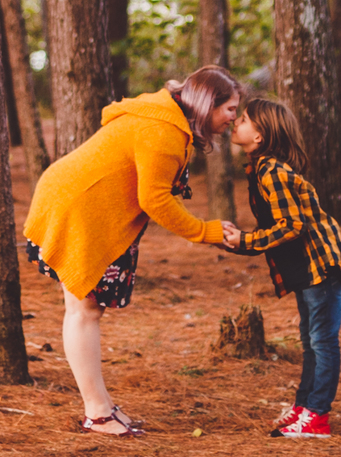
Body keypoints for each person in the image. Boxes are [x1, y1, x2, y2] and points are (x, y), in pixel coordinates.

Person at [24, 67, 241, 437]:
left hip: (86, 206)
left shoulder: (168, 119)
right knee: (83, 310)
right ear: (208, 104)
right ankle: (97, 413)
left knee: (86, 310)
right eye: (231, 109)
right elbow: (155, 200)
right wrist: (206, 232)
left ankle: (102, 407)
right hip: (79, 208)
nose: (234, 119)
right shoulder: (164, 131)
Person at [222, 95, 341, 440]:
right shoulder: (261, 169)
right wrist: (241, 242)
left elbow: (292, 225)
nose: (237, 122)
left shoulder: (272, 172)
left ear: (260, 135)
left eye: (244, 119)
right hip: (307, 269)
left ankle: (317, 417)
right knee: (311, 341)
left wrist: (246, 241)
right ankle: (304, 408)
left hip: (319, 267)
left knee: (322, 342)